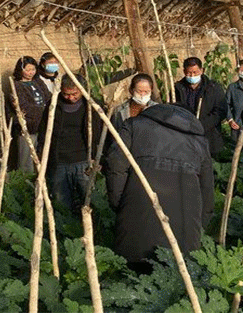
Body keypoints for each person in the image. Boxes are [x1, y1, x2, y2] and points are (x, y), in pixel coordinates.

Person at [105, 103, 214, 271]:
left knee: (132, 276)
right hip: (185, 219)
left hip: (137, 210)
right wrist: (201, 222)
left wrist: (120, 202)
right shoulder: (199, 141)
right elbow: (207, 187)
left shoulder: (134, 126)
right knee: (177, 277)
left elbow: (115, 165)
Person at [37, 74, 101, 214]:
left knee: (90, 201)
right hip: (59, 161)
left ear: (82, 90)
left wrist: (97, 157)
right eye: (66, 94)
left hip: (83, 160)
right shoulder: (53, 105)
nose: (70, 98)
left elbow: (100, 134)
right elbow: (43, 132)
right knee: (61, 203)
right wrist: (41, 154)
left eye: (74, 94)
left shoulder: (91, 105)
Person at [174, 57, 227, 157]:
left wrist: (200, 126)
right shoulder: (178, 88)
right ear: (184, 71)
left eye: (195, 72)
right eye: (189, 73)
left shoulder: (213, 88)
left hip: (209, 137)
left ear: (202, 71)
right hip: (185, 135)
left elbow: (221, 111)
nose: (192, 75)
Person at [8, 56, 51, 172]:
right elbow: (23, 106)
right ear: (20, 70)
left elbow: (48, 97)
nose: (31, 72)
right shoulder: (16, 86)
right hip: (28, 127)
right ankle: (25, 184)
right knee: (26, 160)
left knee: (41, 156)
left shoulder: (38, 81)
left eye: (33, 69)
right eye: (27, 70)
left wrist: (48, 109)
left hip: (43, 125)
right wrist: (44, 110)